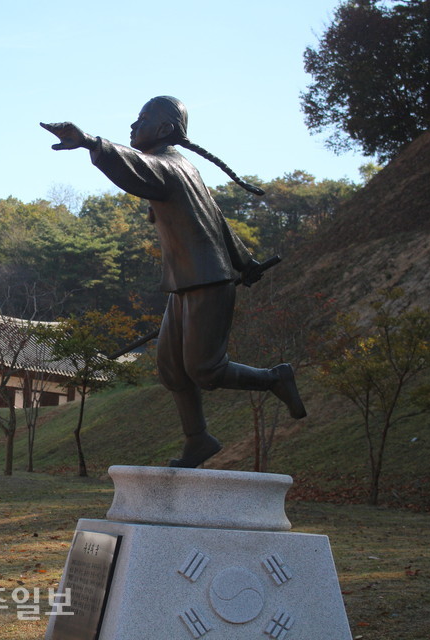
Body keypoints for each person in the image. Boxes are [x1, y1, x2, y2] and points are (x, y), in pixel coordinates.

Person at [42, 97, 306, 468]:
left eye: (142, 119)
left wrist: (90, 142)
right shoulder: (184, 167)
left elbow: (136, 167)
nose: (133, 126)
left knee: (204, 369)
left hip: (207, 279)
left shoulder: (167, 166)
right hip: (185, 282)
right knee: (170, 367)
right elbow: (216, 218)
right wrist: (245, 262)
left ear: (166, 129)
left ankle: (274, 378)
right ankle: (198, 439)